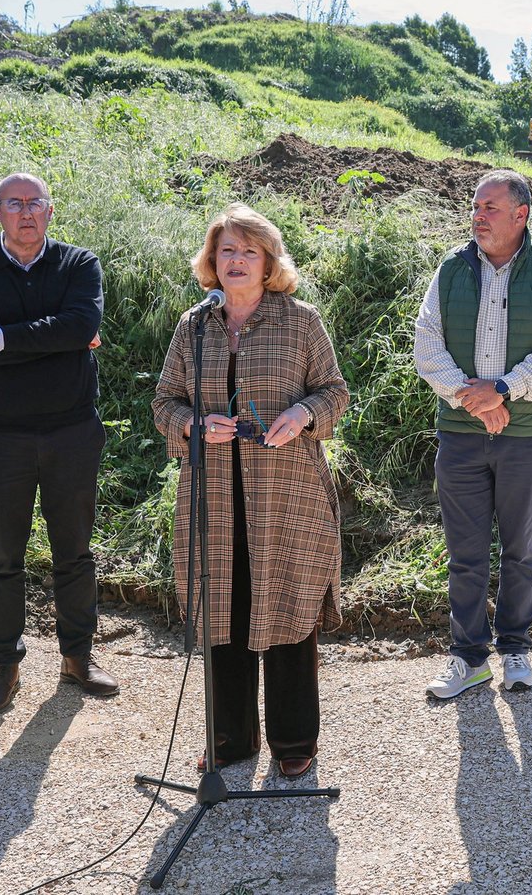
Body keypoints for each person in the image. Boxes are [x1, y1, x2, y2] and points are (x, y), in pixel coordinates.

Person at [151, 203, 348, 777]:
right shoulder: (194, 325)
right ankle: (231, 737)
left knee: (287, 605)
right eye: (226, 251)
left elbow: (334, 392)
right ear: (212, 260)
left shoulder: (300, 321)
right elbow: (164, 403)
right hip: (213, 496)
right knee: (223, 611)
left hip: (287, 496)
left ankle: (293, 740)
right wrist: (192, 424)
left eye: (249, 251)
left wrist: (303, 415)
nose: (236, 261)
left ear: (268, 262)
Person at [0, 173, 118, 717]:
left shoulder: (79, 264)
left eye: (35, 203)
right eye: (15, 203)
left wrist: (2, 337)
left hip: (71, 431)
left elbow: (82, 324)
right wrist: (58, 337)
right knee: (3, 557)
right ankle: (6, 666)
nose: (26, 212)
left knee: (75, 551)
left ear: (50, 211)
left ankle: (77, 657)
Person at [415, 169, 532, 700]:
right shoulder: (450, 269)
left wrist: (503, 391)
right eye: (475, 206)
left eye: (490, 207)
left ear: (520, 214)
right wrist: (473, 399)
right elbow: (427, 343)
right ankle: (468, 658)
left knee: (521, 550)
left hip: (526, 436)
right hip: (461, 434)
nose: (478, 216)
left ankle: (515, 649)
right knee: (464, 554)